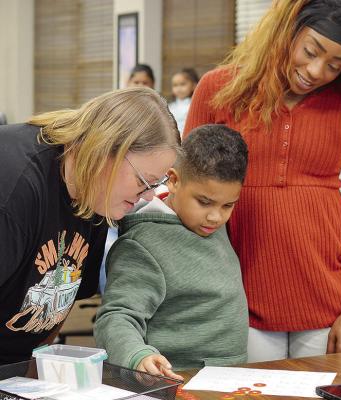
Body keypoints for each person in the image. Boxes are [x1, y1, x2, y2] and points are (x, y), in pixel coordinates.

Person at [184, 0, 341, 361]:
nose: (315, 70)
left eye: (335, 65)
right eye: (310, 52)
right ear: (287, 31)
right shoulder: (219, 88)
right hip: (238, 300)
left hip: (331, 304)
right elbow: (186, 191)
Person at [0, 86, 180, 364]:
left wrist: (33, 368)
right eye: (144, 181)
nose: (148, 196)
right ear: (107, 151)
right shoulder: (14, 187)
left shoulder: (98, 198)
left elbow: (61, 306)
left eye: (156, 185)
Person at [94, 124, 249, 378]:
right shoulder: (142, 244)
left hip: (229, 379)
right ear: (174, 180)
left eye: (228, 205)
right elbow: (115, 316)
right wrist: (138, 356)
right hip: (177, 380)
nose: (215, 217)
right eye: (204, 202)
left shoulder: (206, 222)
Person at [168, 68, 199, 134]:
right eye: (175, 85)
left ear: (194, 86)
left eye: (182, 84)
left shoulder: (195, 106)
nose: (179, 88)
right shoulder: (169, 107)